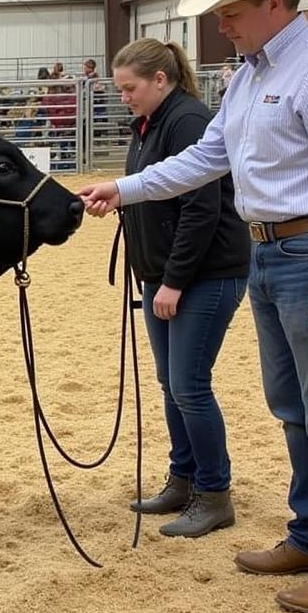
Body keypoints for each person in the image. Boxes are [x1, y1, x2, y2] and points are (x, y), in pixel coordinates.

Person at [80, 0, 308, 613]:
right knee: (294, 408)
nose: (222, 24)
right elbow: (205, 160)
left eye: (232, 9)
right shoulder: (247, 76)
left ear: (275, 1)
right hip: (270, 253)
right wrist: (123, 189)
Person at [112, 38, 250, 537]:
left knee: (190, 385)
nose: (124, 96)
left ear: (160, 80)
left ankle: (214, 493)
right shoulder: (151, 124)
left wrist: (173, 281)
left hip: (205, 274)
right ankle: (184, 477)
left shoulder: (187, 120)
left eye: (130, 88)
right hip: (163, 274)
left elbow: (201, 208)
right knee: (173, 384)